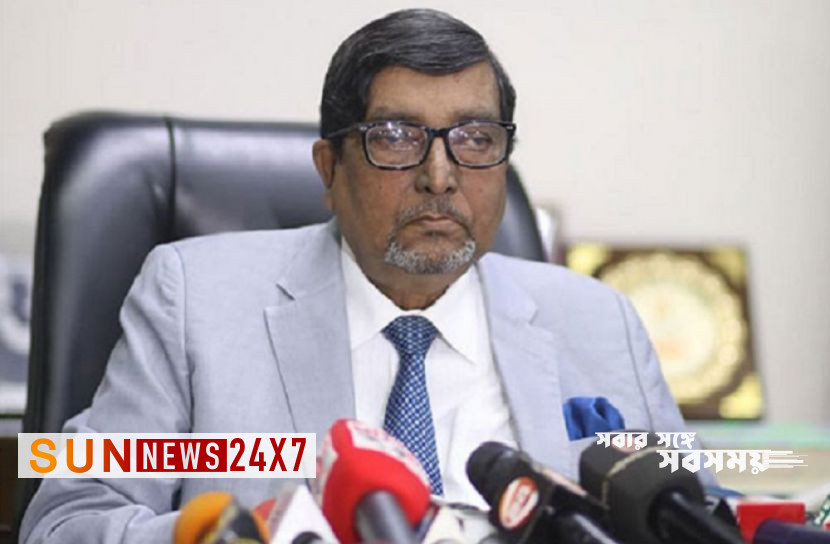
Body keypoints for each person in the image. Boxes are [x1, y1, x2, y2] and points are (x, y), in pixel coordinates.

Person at [21, 8, 693, 543]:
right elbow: (67, 519)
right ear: (330, 168)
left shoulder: (598, 321)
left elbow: (696, 514)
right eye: (397, 136)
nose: (440, 177)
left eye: (475, 138)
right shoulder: (195, 300)